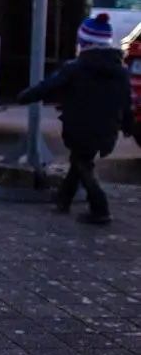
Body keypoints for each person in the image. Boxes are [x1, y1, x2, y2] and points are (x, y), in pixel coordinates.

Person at [16, 12, 133, 225]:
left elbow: (49, 86)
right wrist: (128, 126)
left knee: (83, 164)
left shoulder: (76, 68)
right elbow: (127, 103)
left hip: (80, 127)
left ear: (84, 43)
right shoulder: (120, 71)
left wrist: (24, 97)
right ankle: (64, 200)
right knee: (79, 161)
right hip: (107, 129)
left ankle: (100, 208)